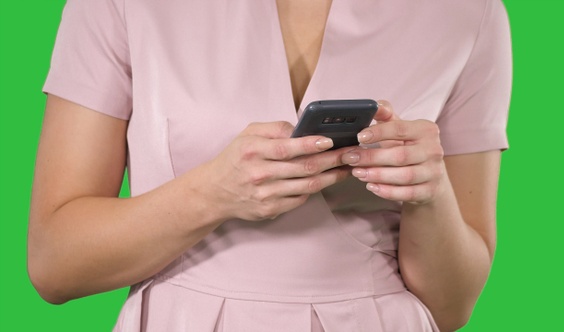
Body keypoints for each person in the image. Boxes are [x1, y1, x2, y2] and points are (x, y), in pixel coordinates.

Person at [27, 0, 512, 331]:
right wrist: (212, 193)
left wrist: (431, 195)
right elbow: (55, 264)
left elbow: (453, 307)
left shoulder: (468, 11)